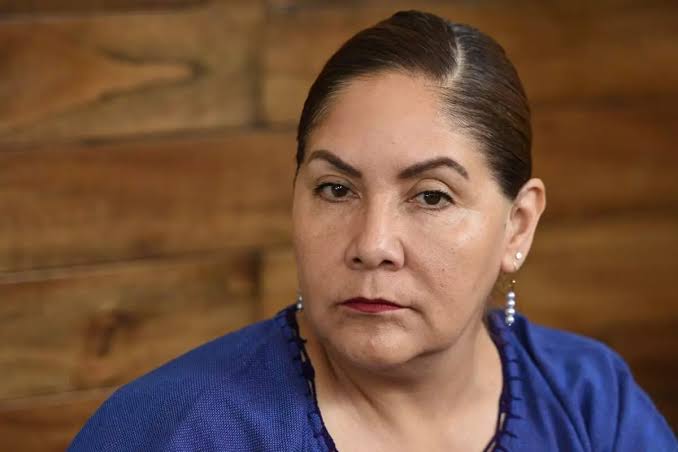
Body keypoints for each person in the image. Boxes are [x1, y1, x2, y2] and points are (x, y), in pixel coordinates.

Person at [69, 10, 677, 452]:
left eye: (432, 196)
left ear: (517, 227)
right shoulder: (175, 430)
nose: (372, 245)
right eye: (336, 189)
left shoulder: (591, 400)